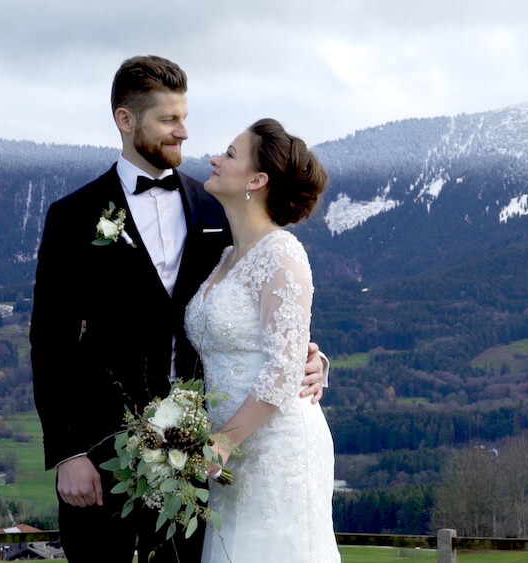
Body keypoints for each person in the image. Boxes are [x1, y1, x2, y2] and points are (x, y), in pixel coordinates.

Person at [30, 57, 328, 563]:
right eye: (169, 119)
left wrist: (314, 359)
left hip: (203, 463)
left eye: (185, 116)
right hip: (104, 457)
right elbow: (50, 341)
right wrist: (68, 452)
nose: (184, 132)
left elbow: (273, 299)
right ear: (126, 121)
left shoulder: (218, 207)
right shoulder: (73, 216)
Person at [186, 118, 338, 562]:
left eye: (230, 154)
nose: (215, 159)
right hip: (229, 457)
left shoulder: (282, 251)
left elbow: (284, 367)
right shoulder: (226, 256)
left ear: (257, 179)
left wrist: (223, 442)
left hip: (275, 449)